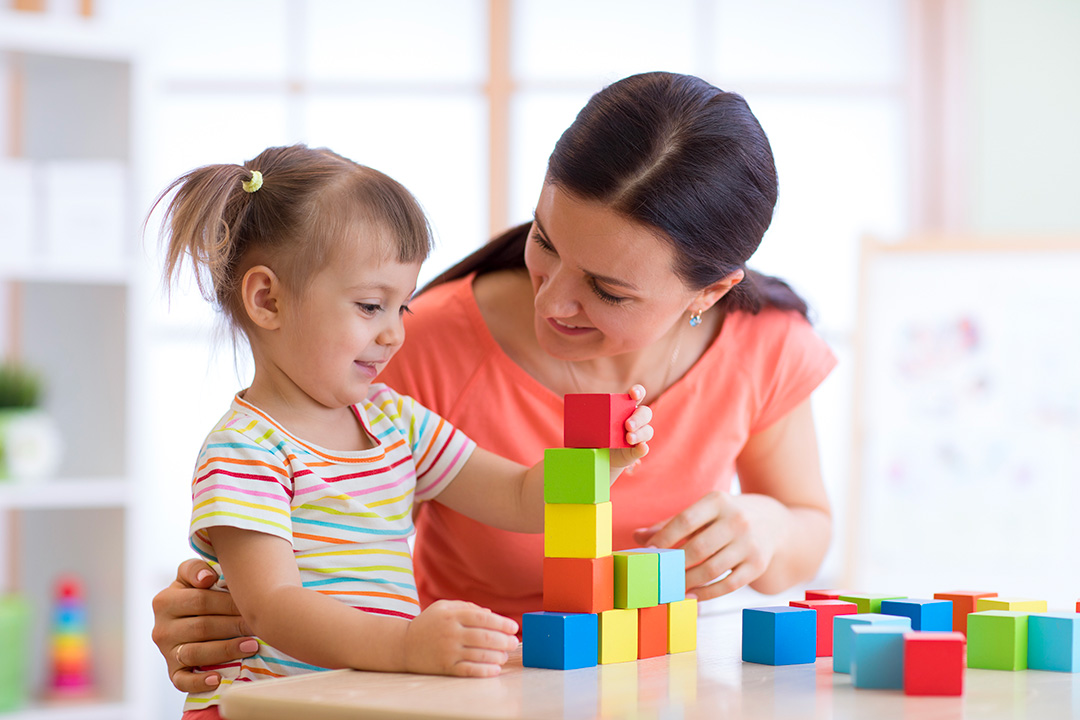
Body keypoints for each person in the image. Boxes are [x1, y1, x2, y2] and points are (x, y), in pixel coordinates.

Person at [152, 71, 836, 694]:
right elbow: (285, 596)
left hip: (649, 687)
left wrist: (605, 472)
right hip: (438, 689)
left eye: (606, 289)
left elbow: (521, 492)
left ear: (708, 292)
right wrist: (213, 610)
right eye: (544, 240)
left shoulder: (391, 419)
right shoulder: (387, 364)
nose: (554, 303)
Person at [153, 144, 654, 718]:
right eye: (370, 306)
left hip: (366, 698)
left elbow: (520, 498)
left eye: (402, 310)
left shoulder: (396, 422)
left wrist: (598, 461)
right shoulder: (245, 449)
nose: (394, 335)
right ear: (267, 299)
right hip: (267, 707)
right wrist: (405, 645)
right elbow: (273, 607)